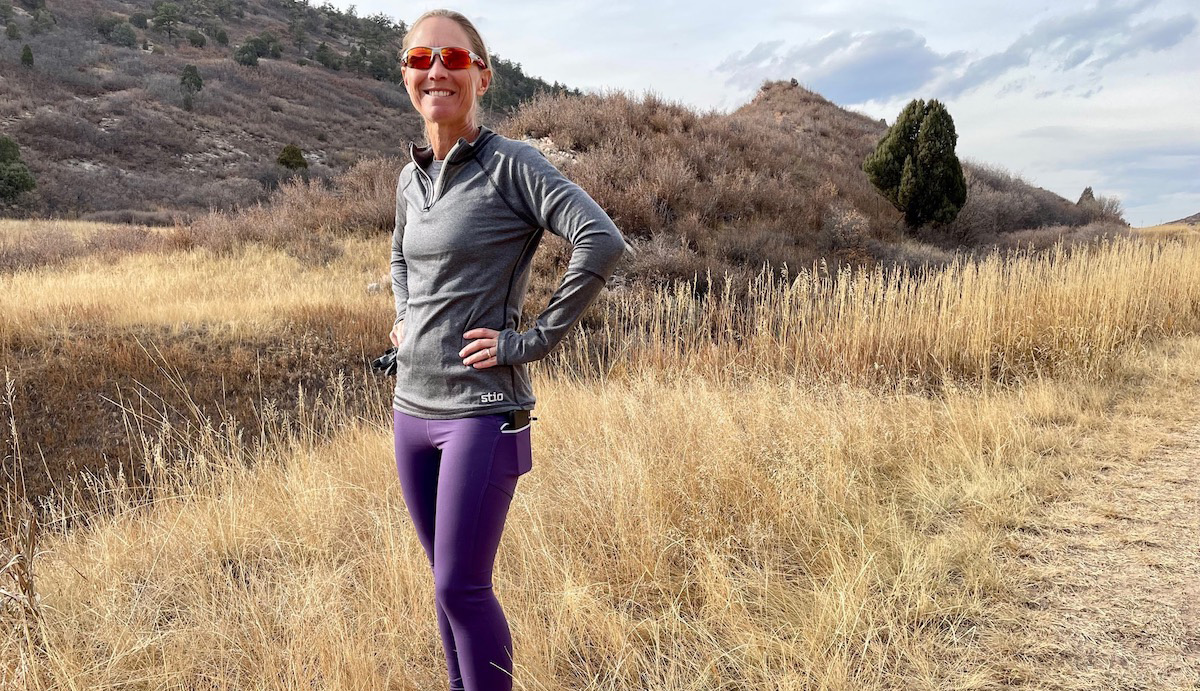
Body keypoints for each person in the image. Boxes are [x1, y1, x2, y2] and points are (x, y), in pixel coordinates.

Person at [389, 9, 634, 691]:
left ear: (483, 75)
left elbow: (601, 240)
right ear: (406, 75)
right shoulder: (410, 177)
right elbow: (400, 256)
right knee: (444, 585)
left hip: (481, 412)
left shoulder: (510, 165)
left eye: (453, 58)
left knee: (462, 586)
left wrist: (531, 340)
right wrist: (404, 316)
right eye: (420, 59)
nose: (436, 70)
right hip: (411, 409)